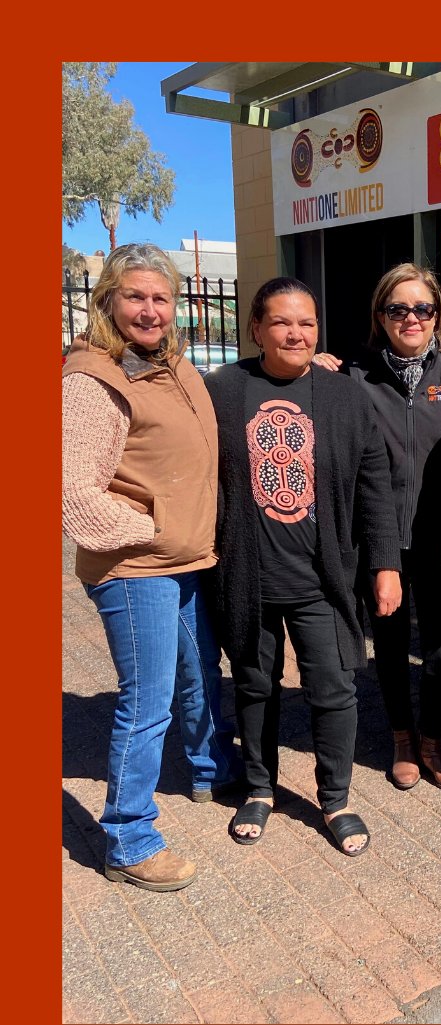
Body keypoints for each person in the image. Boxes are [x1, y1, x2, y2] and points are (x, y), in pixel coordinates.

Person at [62, 242, 240, 892]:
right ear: (109, 299)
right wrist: (153, 530)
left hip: (186, 557)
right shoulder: (94, 378)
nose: (150, 309)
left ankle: (208, 768)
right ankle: (128, 838)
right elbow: (71, 489)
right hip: (136, 568)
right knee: (147, 703)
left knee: (200, 674)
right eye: (135, 296)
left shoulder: (169, 365)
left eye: (160, 297)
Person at [204, 277, 402, 855]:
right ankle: (261, 789)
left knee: (334, 689)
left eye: (307, 323)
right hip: (248, 576)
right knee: (255, 684)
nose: (296, 332)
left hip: (324, 579)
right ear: (257, 329)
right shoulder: (223, 390)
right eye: (283, 322)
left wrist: (385, 564)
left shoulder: (343, 395)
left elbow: (374, 484)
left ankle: (335, 797)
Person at [312, 264, 441, 792]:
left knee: (440, 645)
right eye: (397, 309)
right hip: (377, 537)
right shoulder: (351, 375)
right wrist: (308, 368)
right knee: (387, 639)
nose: (411, 318)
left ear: (437, 316)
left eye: (422, 308)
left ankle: (433, 739)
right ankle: (402, 736)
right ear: (380, 317)